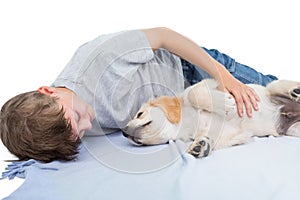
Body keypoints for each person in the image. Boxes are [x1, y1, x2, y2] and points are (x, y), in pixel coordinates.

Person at [0, 27, 278, 162]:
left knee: (269, 92)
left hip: (191, 72)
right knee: (270, 125)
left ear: (48, 91)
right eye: (80, 133)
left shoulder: (98, 61)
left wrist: (223, 77)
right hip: (183, 111)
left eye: (77, 118)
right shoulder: (58, 129)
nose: (88, 124)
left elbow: (164, 36)